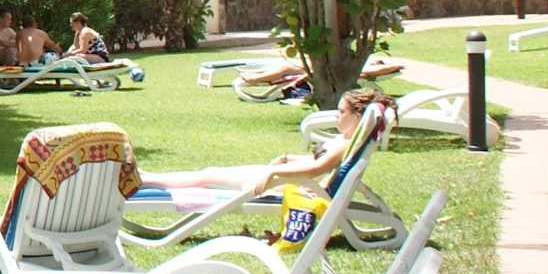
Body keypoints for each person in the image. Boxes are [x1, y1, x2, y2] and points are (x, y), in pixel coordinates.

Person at [143, 89, 397, 199]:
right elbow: (315, 162)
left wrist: (274, 172)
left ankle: (146, 180)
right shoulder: (346, 141)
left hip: (283, 185)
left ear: (358, 116)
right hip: (284, 179)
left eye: (342, 112)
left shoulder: (344, 146)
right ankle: (148, 177)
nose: (336, 116)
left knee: (207, 177)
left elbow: (314, 170)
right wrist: (287, 159)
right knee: (209, 172)